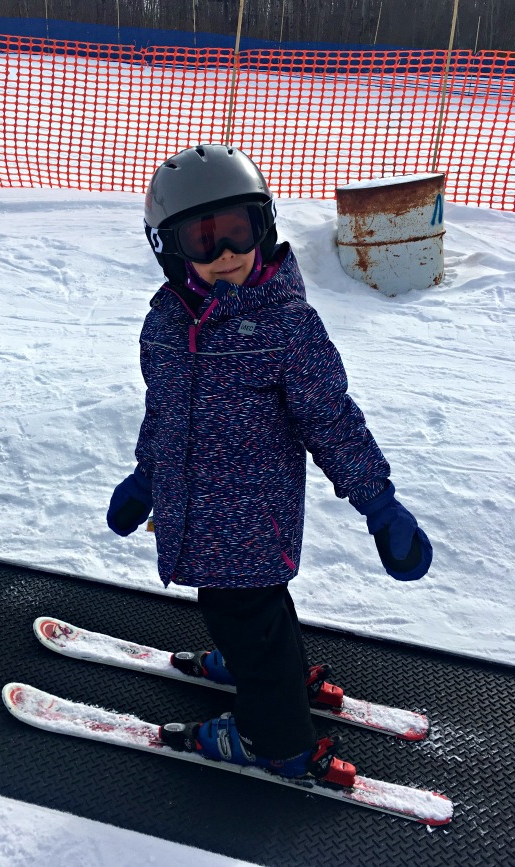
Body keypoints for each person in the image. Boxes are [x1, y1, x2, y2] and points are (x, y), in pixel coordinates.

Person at [106, 144, 432, 785]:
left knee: (244, 612)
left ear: (266, 226)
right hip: (193, 518)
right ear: (168, 248)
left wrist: (379, 504)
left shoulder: (287, 328)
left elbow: (332, 421)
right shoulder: (167, 325)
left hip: (254, 525)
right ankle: (257, 660)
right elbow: (166, 412)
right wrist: (146, 477)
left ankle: (275, 739)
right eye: (204, 238)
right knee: (244, 613)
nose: (225, 252)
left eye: (239, 230)